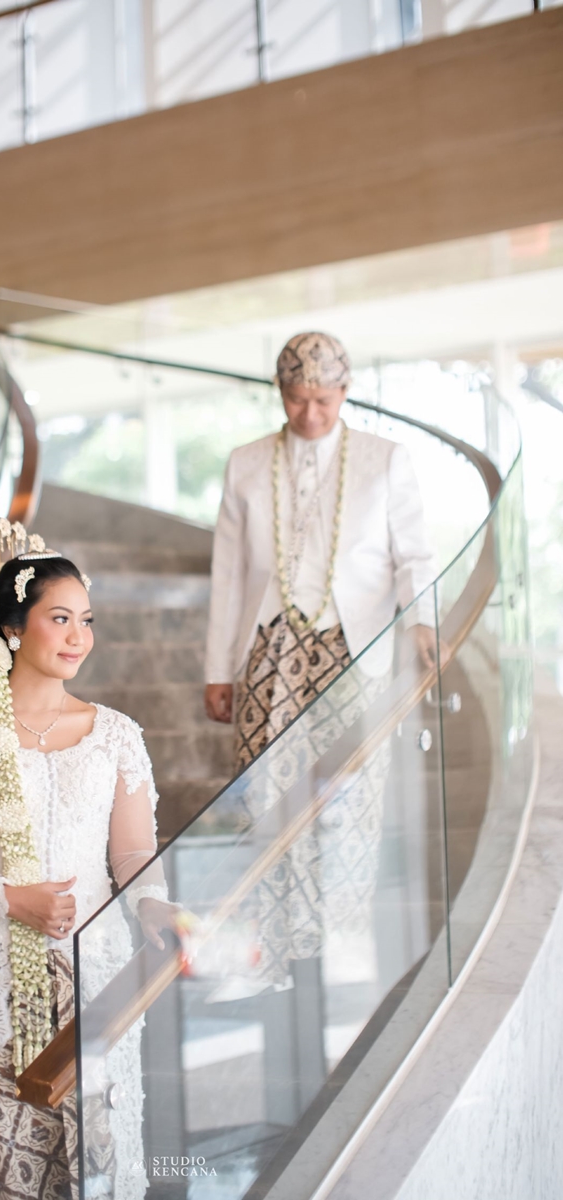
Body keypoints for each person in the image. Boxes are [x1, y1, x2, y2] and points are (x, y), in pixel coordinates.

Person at [0, 522, 172, 1200]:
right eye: (61, 618)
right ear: (13, 629)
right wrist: (8, 898)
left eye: (86, 619)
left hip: (94, 966)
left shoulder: (116, 735)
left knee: (96, 1152)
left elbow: (133, 850)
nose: (79, 635)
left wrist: (154, 904)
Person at [203, 331, 438, 981]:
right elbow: (228, 574)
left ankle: (339, 945)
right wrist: (218, 669)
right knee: (265, 795)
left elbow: (414, 554)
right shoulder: (245, 463)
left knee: (348, 798)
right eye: (297, 399)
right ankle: (276, 940)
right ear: (280, 392)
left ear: (345, 391)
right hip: (267, 649)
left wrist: (421, 620)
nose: (310, 414)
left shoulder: (386, 459)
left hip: (352, 648)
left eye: (324, 400)